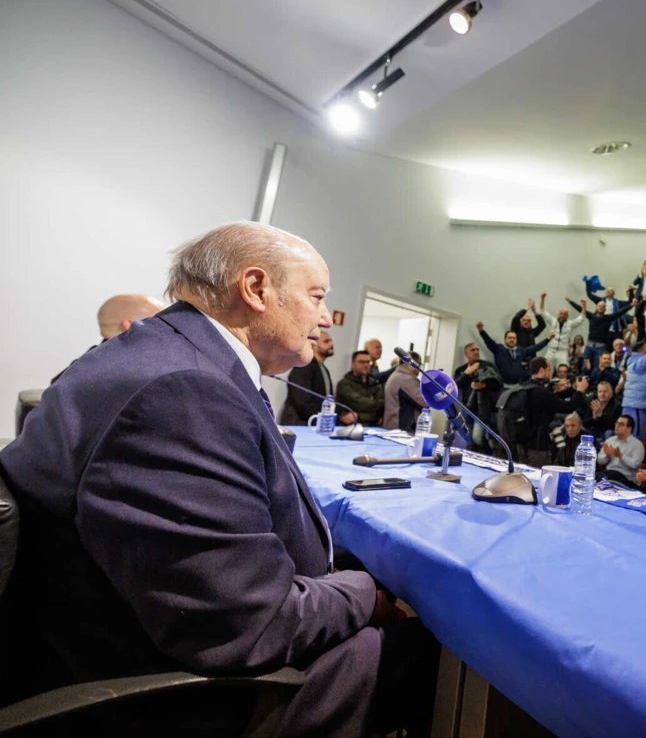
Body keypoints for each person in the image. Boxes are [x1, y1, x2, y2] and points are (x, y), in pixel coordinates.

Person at [0, 222, 436, 736]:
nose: (323, 316)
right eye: (316, 296)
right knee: (438, 651)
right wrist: (367, 593)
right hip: (172, 696)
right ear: (255, 290)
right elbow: (251, 625)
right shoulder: (183, 392)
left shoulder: (161, 355)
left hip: (118, 633)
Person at [50, 293, 165, 384]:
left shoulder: (85, 364)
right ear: (130, 325)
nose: (168, 328)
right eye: (161, 321)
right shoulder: (129, 370)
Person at [521, 357, 580, 467]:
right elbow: (566, 407)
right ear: (542, 371)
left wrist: (572, 390)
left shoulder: (527, 387)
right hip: (539, 447)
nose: (550, 373)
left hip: (526, 443)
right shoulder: (540, 392)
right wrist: (580, 392)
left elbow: (552, 398)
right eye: (549, 370)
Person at [453, 342, 504, 453]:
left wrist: (484, 385)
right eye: (472, 350)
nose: (476, 352)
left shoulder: (488, 366)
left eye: (477, 350)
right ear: (466, 354)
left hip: (483, 409)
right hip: (466, 408)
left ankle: (490, 456)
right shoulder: (461, 370)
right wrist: (467, 373)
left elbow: (499, 383)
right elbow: (454, 386)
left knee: (478, 438)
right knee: (469, 440)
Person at [280, 329, 336, 424]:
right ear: (314, 345)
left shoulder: (322, 368)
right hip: (300, 424)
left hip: (315, 423)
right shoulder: (303, 367)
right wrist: (318, 420)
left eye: (331, 341)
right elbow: (302, 400)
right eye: (326, 341)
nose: (331, 344)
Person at [477, 323, 551, 386]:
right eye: (510, 338)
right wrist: (481, 331)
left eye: (514, 338)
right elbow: (489, 341)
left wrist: (548, 339)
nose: (512, 339)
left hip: (519, 386)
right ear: (505, 339)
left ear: (516, 340)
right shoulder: (499, 349)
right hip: (503, 386)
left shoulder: (521, 350)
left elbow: (536, 347)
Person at [337, 349, 386, 426]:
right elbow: (359, 404)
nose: (366, 365)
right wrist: (375, 412)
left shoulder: (375, 384)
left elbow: (383, 406)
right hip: (348, 428)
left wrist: (358, 416)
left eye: (368, 362)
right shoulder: (344, 384)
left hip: (373, 429)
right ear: (353, 364)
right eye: (361, 362)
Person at [382, 349, 426, 432]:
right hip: (400, 431)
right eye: (418, 364)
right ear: (407, 362)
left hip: (393, 427)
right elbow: (425, 402)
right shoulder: (404, 379)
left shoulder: (397, 376)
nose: (418, 370)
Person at [596, 414, 645, 486]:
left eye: (621, 424)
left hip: (627, 479)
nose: (617, 426)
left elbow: (635, 465)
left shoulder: (637, 444)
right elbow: (599, 461)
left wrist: (621, 456)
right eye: (617, 423)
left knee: (610, 476)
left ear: (629, 429)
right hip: (609, 475)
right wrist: (607, 456)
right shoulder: (610, 440)